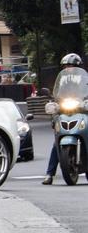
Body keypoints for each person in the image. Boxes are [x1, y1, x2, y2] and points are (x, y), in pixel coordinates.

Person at [42, 53, 83, 185]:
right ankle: (49, 174)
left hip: (82, 110)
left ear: (77, 66)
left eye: (70, 65)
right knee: (57, 142)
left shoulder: (84, 78)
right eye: (65, 66)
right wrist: (54, 102)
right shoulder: (61, 80)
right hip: (65, 111)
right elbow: (56, 94)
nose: (67, 68)